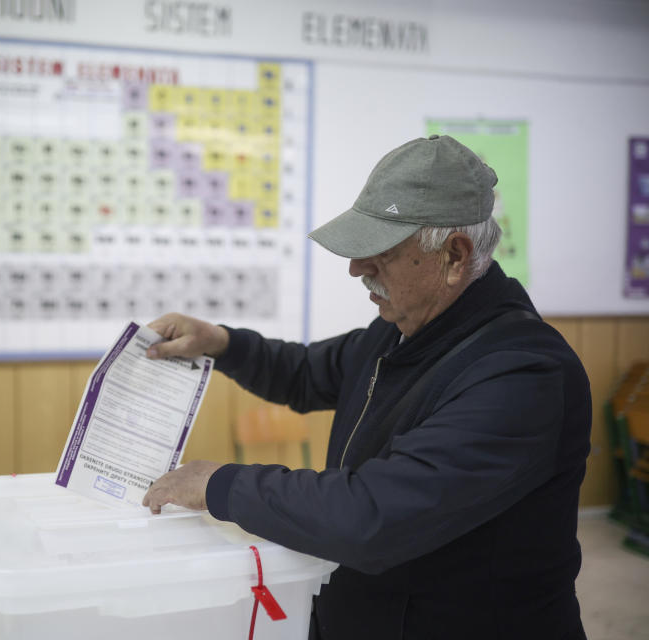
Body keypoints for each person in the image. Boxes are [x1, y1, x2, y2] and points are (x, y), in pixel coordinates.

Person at [142, 135, 591, 640]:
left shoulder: (523, 375)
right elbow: (307, 372)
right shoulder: (404, 327)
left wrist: (220, 483)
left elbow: (373, 515)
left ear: (454, 256)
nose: (356, 269)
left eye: (379, 253)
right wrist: (221, 343)